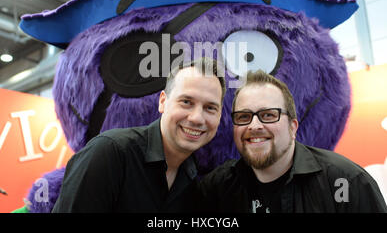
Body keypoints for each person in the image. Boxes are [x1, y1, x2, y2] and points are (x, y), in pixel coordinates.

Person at [198, 70, 387, 213]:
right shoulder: (217, 189)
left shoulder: (346, 181)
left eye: (268, 115)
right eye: (244, 116)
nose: (254, 125)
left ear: (293, 127)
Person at [52, 57, 226, 212]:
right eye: (186, 102)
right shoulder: (110, 153)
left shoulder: (191, 179)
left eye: (210, 108)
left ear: (219, 116)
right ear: (163, 102)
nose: (197, 118)